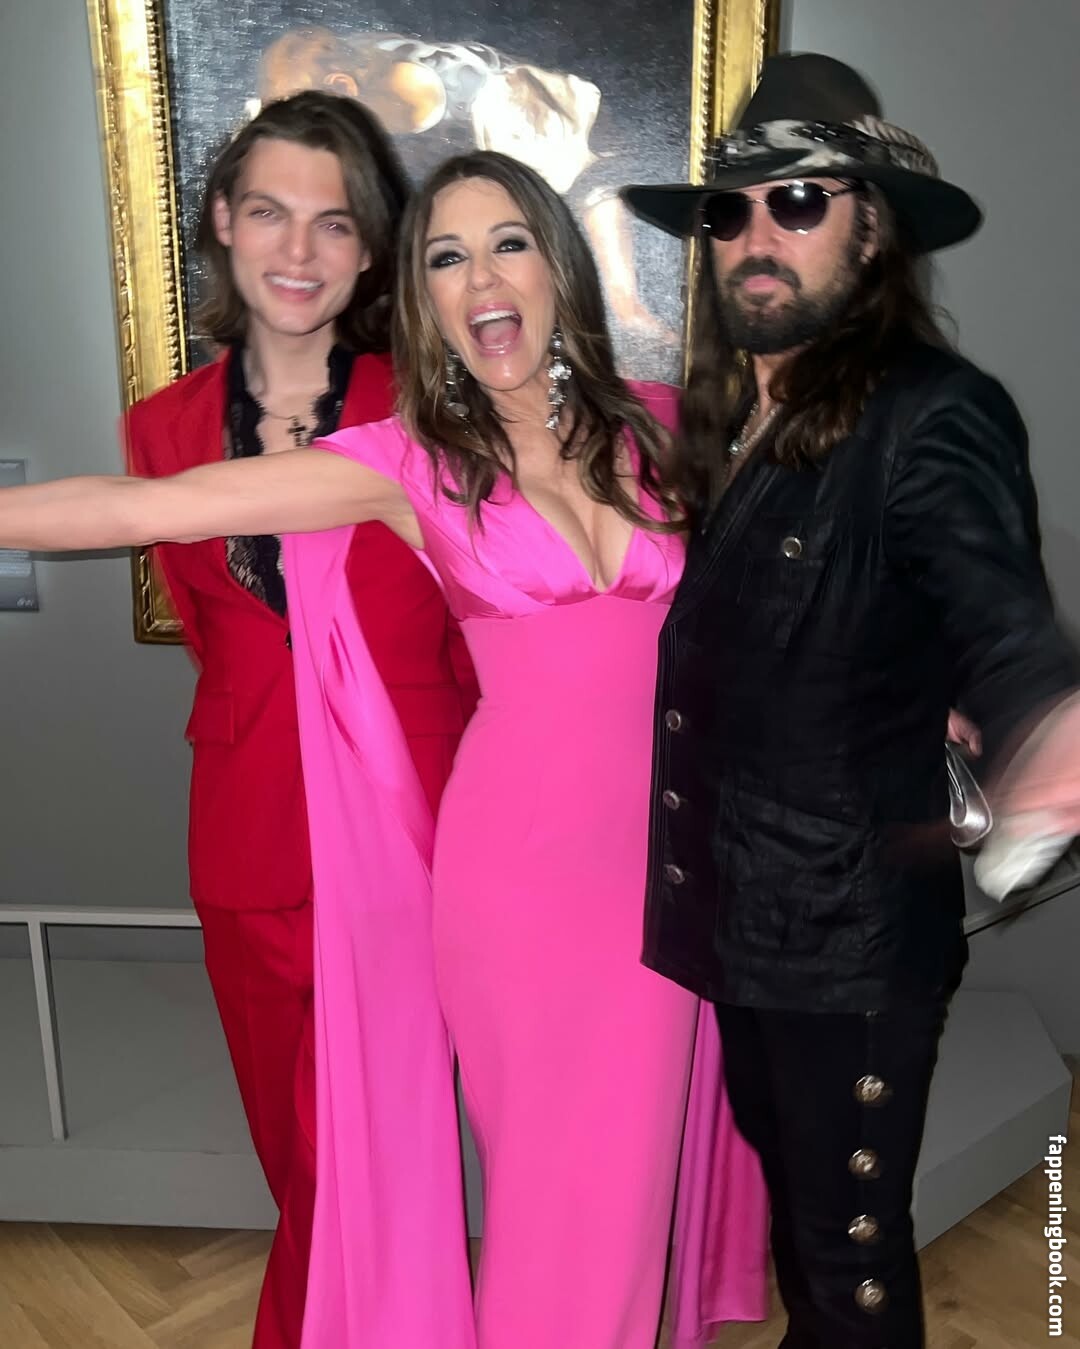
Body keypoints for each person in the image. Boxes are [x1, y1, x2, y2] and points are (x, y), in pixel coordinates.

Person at [0, 150, 768, 1348]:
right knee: (554, 1200)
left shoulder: (669, 427)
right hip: (517, 887)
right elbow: (152, 505)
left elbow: (811, 569)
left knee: (624, 1203)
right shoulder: (410, 462)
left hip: (667, 873)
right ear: (424, 299)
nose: (482, 279)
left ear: (557, 266)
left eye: (508, 243)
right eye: (447, 258)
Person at [622, 52, 1080, 1349]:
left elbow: (997, 610)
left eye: (799, 202)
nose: (756, 236)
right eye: (731, 211)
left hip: (850, 937)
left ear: (872, 231)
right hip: (749, 914)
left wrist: (1044, 724)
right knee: (806, 1225)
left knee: (850, 1251)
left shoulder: (933, 412)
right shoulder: (736, 424)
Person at [122, 91, 477, 1349]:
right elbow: (214, 628)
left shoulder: (438, 408)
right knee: (291, 1140)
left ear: (371, 248)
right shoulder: (161, 427)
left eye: (333, 223)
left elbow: (478, 629)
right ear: (222, 220)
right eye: (269, 212)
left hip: (414, 828)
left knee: (357, 1139)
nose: (297, 250)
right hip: (248, 828)